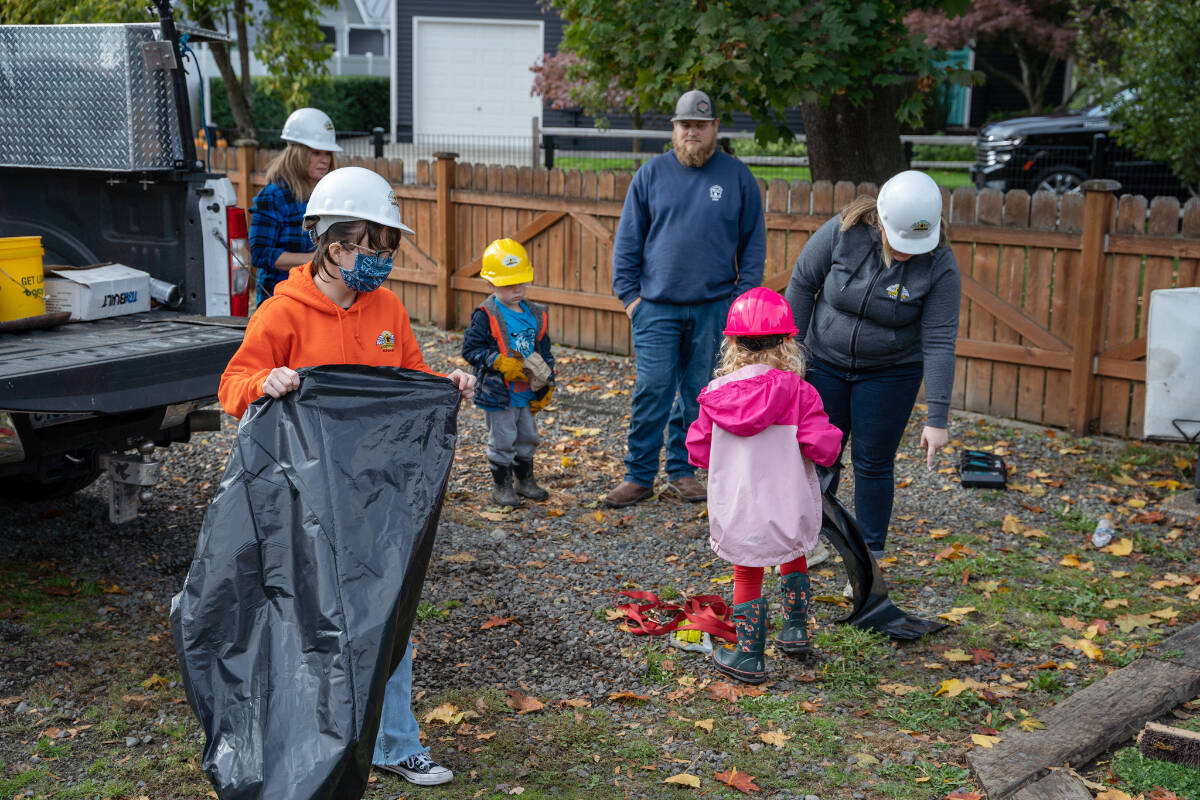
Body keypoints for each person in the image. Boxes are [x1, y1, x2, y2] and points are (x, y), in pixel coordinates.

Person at [219, 165, 475, 787]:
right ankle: (309, 741)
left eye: (388, 248)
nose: (383, 261)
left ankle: (394, 741)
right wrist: (266, 381)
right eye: (374, 247)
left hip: (378, 497)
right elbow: (232, 387)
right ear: (335, 246)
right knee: (314, 624)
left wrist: (447, 385)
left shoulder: (386, 308)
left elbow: (407, 380)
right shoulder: (283, 314)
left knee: (389, 616)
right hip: (307, 503)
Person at [783, 169, 961, 560]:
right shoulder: (844, 232)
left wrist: (937, 419)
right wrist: (792, 357)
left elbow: (939, 340)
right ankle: (808, 541)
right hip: (825, 362)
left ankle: (868, 558)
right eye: (899, 241)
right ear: (879, 220)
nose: (905, 251)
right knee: (815, 453)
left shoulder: (939, 266)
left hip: (890, 373)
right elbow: (801, 282)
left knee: (873, 463)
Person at [605, 89, 766, 508]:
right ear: (674, 130)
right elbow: (627, 242)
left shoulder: (737, 177)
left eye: (700, 125)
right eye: (684, 125)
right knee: (653, 388)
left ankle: (682, 469)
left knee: (700, 391)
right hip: (656, 307)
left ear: (714, 128)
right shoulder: (651, 175)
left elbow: (753, 246)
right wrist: (630, 299)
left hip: (715, 307)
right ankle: (638, 474)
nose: (691, 132)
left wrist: (740, 301)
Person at [685, 287, 842, 684]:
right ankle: (796, 631)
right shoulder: (800, 393)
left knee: (747, 572)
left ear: (732, 342)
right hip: (789, 502)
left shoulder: (714, 397)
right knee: (793, 551)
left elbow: (697, 450)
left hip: (740, 506)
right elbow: (822, 448)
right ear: (789, 342)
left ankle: (749, 655)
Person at [461, 238, 556, 506]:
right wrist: (499, 362)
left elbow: (545, 352)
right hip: (499, 394)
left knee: (528, 437)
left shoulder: (535, 315)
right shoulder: (486, 315)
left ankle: (524, 480)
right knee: (503, 440)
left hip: (527, 391)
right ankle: (501, 486)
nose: (516, 289)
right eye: (508, 284)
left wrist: (548, 382)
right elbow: (471, 350)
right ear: (490, 284)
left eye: (520, 283)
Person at [249, 107, 341, 303]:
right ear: (297, 154)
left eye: (328, 153)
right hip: (280, 299)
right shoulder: (273, 196)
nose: (324, 160)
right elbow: (260, 254)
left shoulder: (329, 195)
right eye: (316, 153)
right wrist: (314, 258)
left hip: (320, 297)